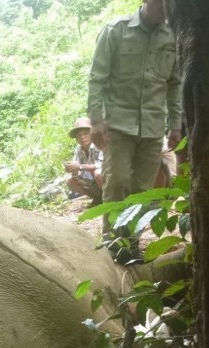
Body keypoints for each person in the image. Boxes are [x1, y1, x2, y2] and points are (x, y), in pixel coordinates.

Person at [87, 0, 183, 264]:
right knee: (116, 182)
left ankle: (130, 246)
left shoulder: (172, 37)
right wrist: (96, 120)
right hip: (117, 125)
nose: (164, 4)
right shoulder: (116, 30)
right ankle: (111, 244)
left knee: (142, 190)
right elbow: (97, 77)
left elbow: (174, 84)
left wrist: (176, 124)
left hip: (152, 128)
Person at [64, 117, 103, 206]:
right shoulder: (78, 149)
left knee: (98, 173)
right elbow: (77, 168)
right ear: (76, 138)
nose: (82, 137)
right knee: (70, 181)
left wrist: (80, 166)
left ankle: (111, 198)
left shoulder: (100, 143)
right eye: (79, 135)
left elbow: (103, 165)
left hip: (106, 180)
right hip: (92, 182)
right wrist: (72, 169)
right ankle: (97, 198)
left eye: (86, 133)